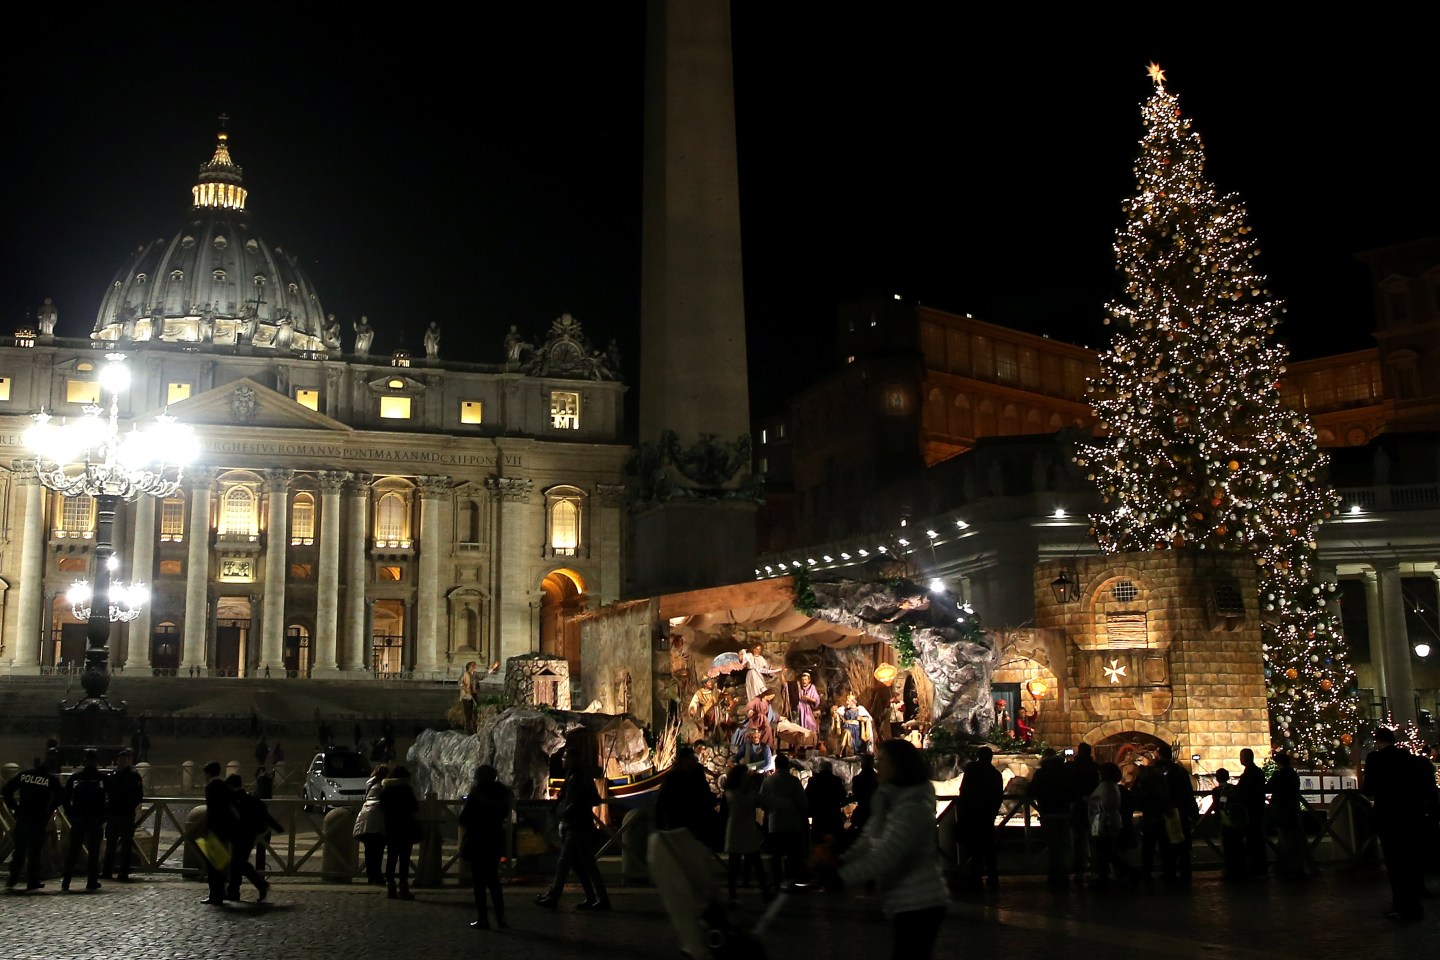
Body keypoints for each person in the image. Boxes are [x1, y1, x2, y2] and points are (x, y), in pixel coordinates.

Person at [815, 739, 950, 960]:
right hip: (901, 901)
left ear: (899, 765)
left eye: (883, 761)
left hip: (921, 900)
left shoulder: (913, 805)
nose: (878, 766)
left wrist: (841, 878)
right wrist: (841, 860)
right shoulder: (887, 799)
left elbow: (887, 855)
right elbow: (868, 839)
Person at [536, 744, 610, 911]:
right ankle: (597, 898)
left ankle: (553, 896)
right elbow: (591, 799)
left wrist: (570, 808)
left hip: (577, 826)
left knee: (565, 862)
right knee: (585, 865)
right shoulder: (575, 777)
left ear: (572, 759)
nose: (563, 760)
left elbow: (587, 800)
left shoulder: (577, 778)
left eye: (565, 757)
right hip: (579, 825)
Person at [1362, 726, 1427, 920]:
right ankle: (1415, 904)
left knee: (1394, 863)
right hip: (1409, 813)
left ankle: (1401, 905)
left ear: (1379, 741)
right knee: (1410, 860)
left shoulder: (1375, 758)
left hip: (1388, 815)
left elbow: (1369, 788)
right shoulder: (1407, 757)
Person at [458, 765, 513, 929]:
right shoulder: (502, 795)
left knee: (479, 882)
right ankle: (501, 917)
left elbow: (464, 819)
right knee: (494, 880)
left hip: (478, 840)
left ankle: (483, 918)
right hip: (494, 839)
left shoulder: (477, 795)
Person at [3, 756, 65, 891]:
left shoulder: (24, 775)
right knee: (35, 852)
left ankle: (12, 878)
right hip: (38, 819)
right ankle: (32, 880)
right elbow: (61, 796)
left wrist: (15, 807)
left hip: (23, 817)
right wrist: (49, 810)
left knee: (19, 850)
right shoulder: (51, 779)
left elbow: (7, 790)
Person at [225, 774, 280, 902]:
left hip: (239, 834)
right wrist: (277, 827)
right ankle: (234, 891)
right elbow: (264, 813)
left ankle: (258, 885)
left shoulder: (235, 798)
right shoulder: (250, 797)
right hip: (250, 834)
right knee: (238, 863)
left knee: (239, 863)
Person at [723, 764, 772, 901]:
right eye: (744, 775)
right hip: (738, 829)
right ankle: (734, 894)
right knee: (737, 864)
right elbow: (743, 805)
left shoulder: (742, 791)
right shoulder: (733, 792)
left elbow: (763, 801)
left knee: (751, 862)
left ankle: (762, 892)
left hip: (744, 830)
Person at [62, 748, 108, 892]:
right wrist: (103, 816)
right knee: (92, 852)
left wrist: (71, 814)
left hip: (81, 818)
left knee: (74, 851)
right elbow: (111, 798)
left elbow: (65, 799)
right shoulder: (102, 778)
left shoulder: (76, 778)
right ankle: (91, 881)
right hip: (92, 818)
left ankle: (67, 881)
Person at [957, 746, 1004, 890]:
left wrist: (963, 810)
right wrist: (993, 811)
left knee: (975, 848)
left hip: (973, 813)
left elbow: (964, 790)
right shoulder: (995, 774)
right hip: (987, 815)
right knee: (989, 849)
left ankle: (975, 877)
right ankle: (992, 876)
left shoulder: (972, 771)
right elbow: (998, 795)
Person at [759, 753, 809, 887]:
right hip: (793, 823)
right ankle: (792, 879)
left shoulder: (768, 781)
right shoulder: (794, 781)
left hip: (775, 823)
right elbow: (802, 802)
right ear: (787, 765)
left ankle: (777, 880)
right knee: (793, 854)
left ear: (775, 765)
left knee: (776, 855)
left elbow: (762, 801)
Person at [654, 746, 719, 848]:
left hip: (698, 818)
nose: (692, 762)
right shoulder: (672, 777)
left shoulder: (697, 772)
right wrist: (661, 825)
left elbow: (704, 791)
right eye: (690, 759)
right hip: (679, 820)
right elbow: (662, 801)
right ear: (682, 761)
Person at [1266, 751, 1315, 879]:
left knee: (1286, 838)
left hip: (1281, 810)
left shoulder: (1279, 774)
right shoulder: (1293, 774)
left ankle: (1291, 866)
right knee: (1293, 838)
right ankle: (1292, 865)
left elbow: (1269, 787)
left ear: (1278, 763)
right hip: (1293, 809)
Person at [1086, 762, 1136, 887]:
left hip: (1103, 823)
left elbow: (1105, 804)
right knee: (1107, 852)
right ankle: (1106, 876)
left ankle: (1129, 872)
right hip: (1105, 822)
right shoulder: (1111, 786)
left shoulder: (1107, 787)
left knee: (1106, 852)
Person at [1028, 747, 1072, 886]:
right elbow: (1072, 790)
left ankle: (1054, 874)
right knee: (1061, 844)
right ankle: (1063, 873)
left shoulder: (1042, 773)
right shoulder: (1065, 772)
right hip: (1064, 812)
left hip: (1047, 812)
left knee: (1052, 845)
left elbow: (1031, 790)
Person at [103, 747, 144, 882]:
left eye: (125, 759)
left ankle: (123, 871)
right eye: (120, 759)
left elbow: (138, 795)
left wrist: (128, 805)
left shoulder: (134, 776)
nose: (122, 762)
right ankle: (107, 870)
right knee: (111, 843)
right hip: (114, 813)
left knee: (126, 844)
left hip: (126, 813)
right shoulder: (113, 775)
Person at [200, 760, 238, 904]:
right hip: (225, 830)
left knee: (212, 864)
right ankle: (221, 892)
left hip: (214, 829)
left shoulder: (211, 787)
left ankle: (215, 895)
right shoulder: (224, 785)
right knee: (219, 863)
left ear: (208, 773)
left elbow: (212, 811)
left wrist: (206, 829)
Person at [380, 765, 420, 900]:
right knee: (404, 859)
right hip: (405, 827)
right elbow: (415, 807)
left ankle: (390, 887)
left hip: (391, 827)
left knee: (391, 858)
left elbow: (383, 808)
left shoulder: (385, 789)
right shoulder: (406, 790)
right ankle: (403, 887)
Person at [1064, 742, 1100, 883]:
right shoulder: (1095, 767)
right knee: (1094, 838)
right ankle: (1096, 868)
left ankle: (1079, 870)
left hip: (1077, 806)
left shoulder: (1072, 767)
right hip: (1093, 806)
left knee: (1078, 840)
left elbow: (1069, 786)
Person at [1235, 747, 1269, 877]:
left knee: (1253, 838)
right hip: (1258, 808)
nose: (1240, 759)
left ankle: (1255, 866)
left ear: (1246, 758)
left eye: (1241, 756)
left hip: (1251, 809)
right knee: (1258, 838)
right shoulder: (1258, 772)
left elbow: (1242, 790)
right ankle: (1260, 865)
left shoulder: (1249, 773)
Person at [354, 764, 389, 885]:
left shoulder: (370, 784)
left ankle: (370, 877)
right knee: (378, 851)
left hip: (365, 817)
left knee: (369, 851)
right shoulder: (383, 787)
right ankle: (377, 877)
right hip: (378, 819)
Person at [1210, 768, 1248, 881]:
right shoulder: (1234, 788)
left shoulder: (1217, 790)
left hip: (1225, 821)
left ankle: (1230, 871)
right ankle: (1241, 869)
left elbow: (1217, 806)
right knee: (1238, 845)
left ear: (1217, 778)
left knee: (1227, 847)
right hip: (1237, 820)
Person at [806, 759, 849, 847]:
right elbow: (842, 796)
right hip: (833, 814)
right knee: (834, 843)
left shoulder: (813, 780)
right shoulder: (836, 780)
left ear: (820, 769)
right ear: (831, 769)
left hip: (818, 814)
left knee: (818, 842)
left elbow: (807, 796)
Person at [849, 753, 879, 842]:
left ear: (862, 764)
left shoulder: (857, 779)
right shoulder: (878, 778)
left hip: (862, 811)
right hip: (875, 812)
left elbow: (856, 795)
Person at [794, 671, 821, 739]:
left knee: (811, 723)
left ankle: (811, 738)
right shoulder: (799, 687)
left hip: (808, 709)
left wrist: (808, 698)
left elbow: (816, 699)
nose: (804, 681)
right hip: (800, 708)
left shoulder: (812, 687)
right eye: (802, 680)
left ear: (809, 680)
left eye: (805, 680)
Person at [459, 660, 478, 734]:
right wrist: (464, 687)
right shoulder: (464, 674)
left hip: (474, 695)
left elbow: (483, 675)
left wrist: (491, 670)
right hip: (466, 696)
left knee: (475, 711)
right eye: (472, 666)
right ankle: (469, 730)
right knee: (468, 713)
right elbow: (459, 682)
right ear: (469, 667)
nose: (474, 667)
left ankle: (475, 727)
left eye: (474, 666)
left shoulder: (475, 674)